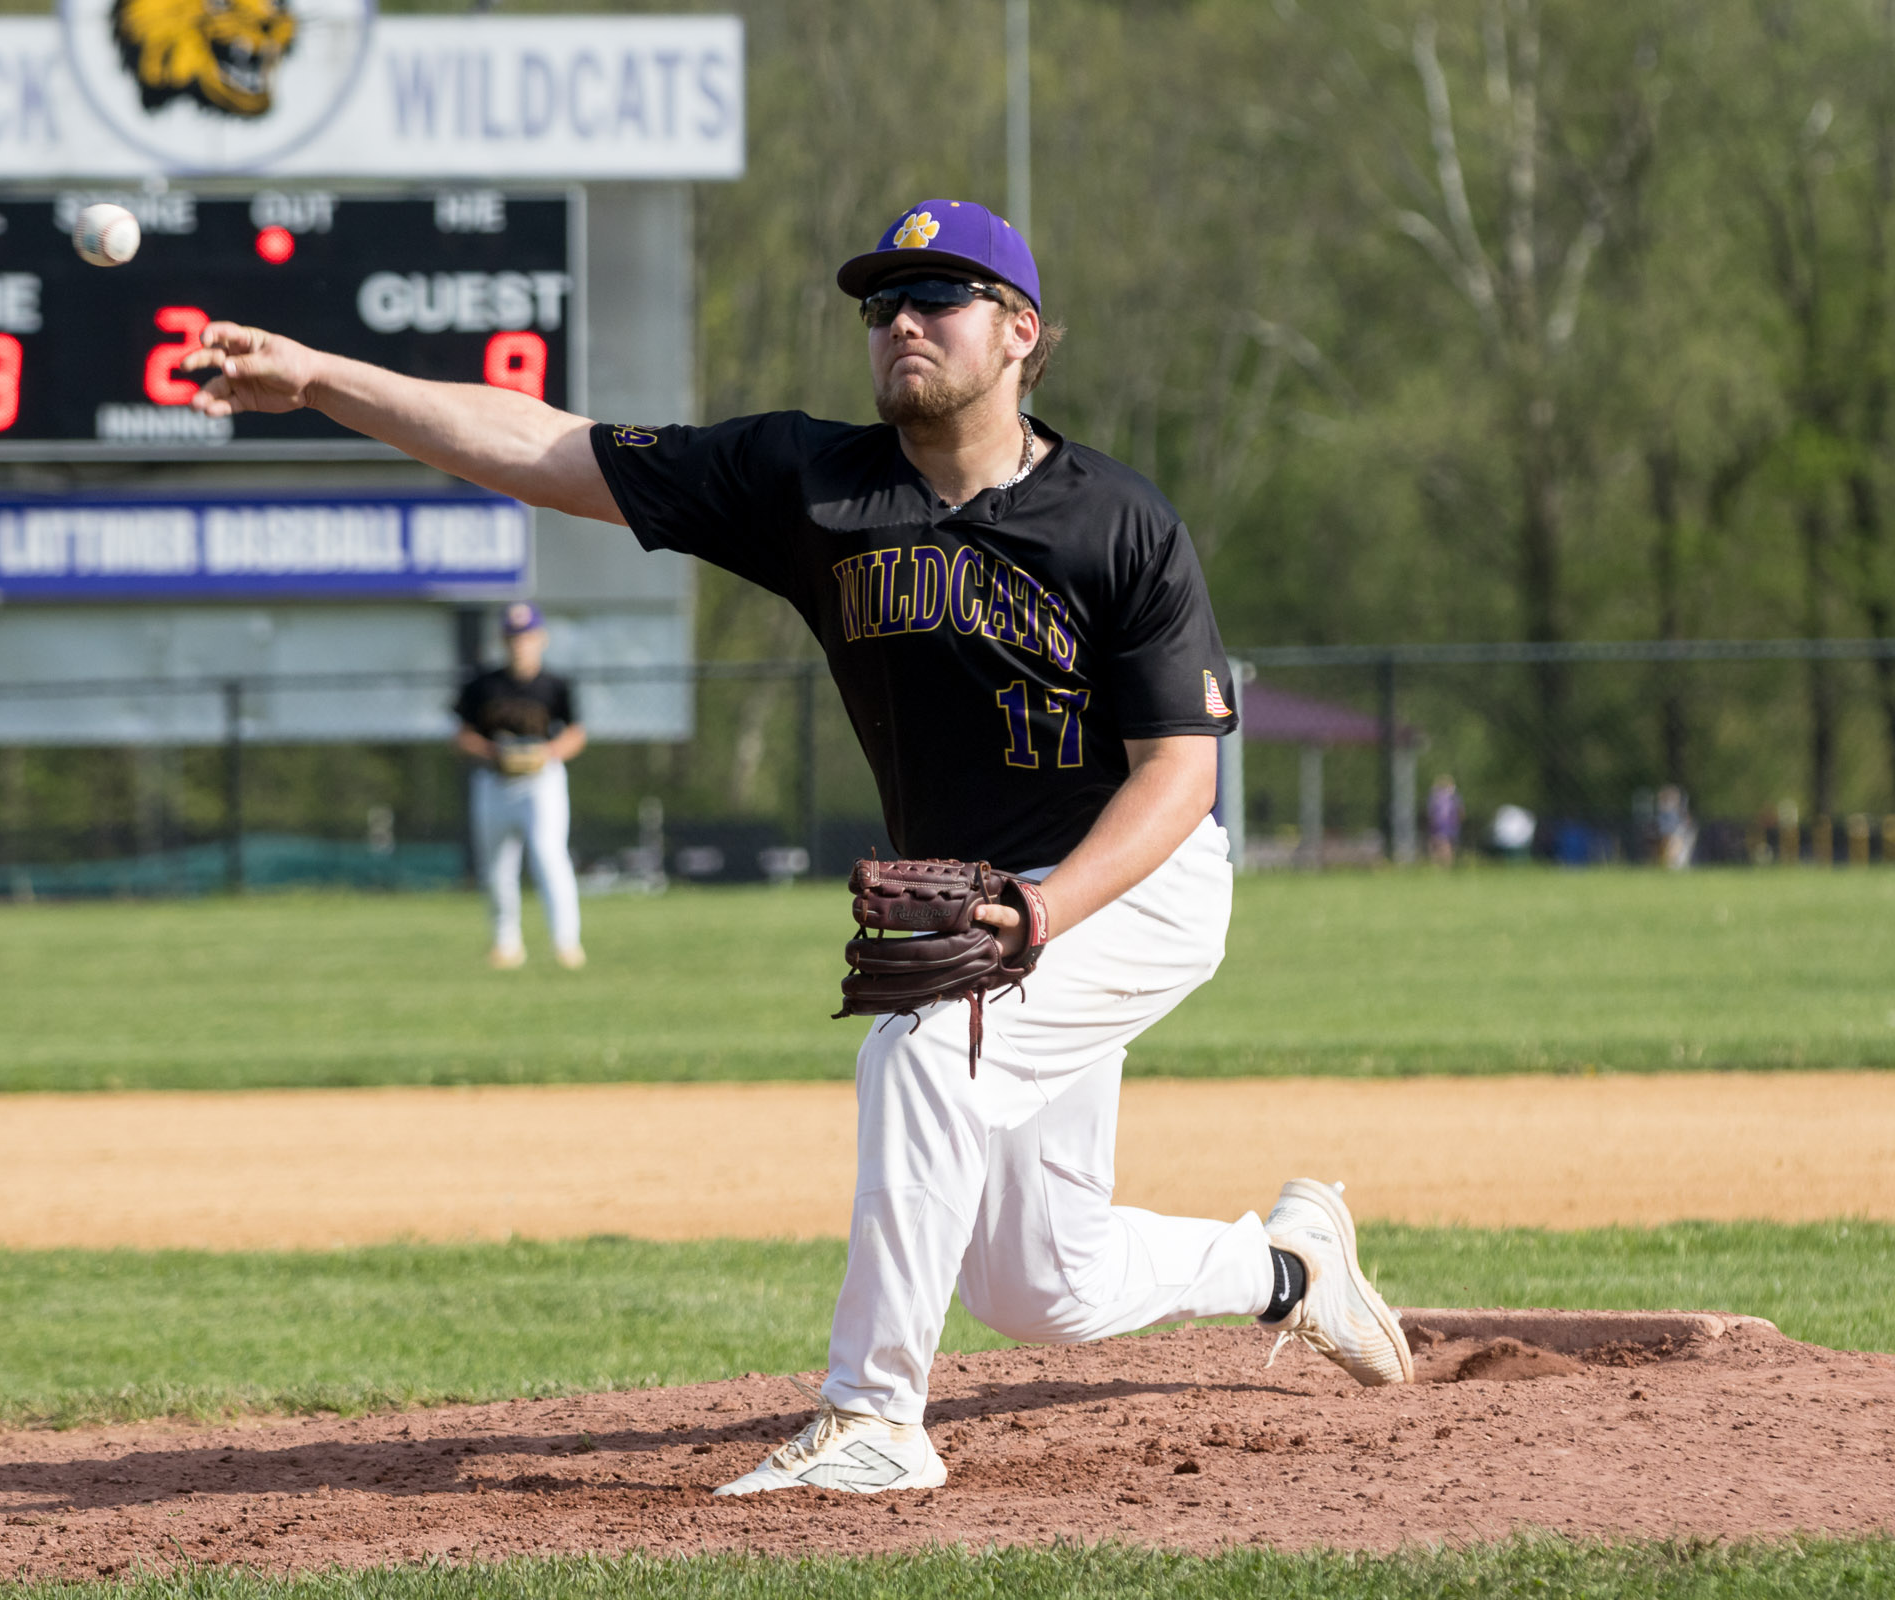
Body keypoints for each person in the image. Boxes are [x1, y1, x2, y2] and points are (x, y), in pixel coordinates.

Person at [179, 196, 1413, 1497]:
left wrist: (1047, 913)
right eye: (882, 303)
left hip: (1131, 888)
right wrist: (319, 377)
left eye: (937, 297)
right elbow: (544, 444)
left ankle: (876, 1416)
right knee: (1041, 1284)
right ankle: (1293, 1266)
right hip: (988, 915)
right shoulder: (812, 484)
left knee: (927, 1047)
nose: (901, 323)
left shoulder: (1117, 521)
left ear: (1022, 333)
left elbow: (1180, 778)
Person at [454, 602, 588, 969]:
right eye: (514, 637)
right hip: (494, 782)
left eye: (527, 636)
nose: (520, 644)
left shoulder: (554, 685)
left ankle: (566, 943)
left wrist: (548, 752)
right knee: (495, 866)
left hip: (541, 784)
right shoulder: (483, 684)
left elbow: (576, 733)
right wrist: (493, 752)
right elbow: (462, 735)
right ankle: (505, 945)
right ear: (504, 640)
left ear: (540, 639)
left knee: (548, 856)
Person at [1426, 774, 1464, 867]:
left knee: (1439, 845)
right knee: (1444, 845)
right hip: (1448, 826)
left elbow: (1430, 813)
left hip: (1439, 826)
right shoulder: (1453, 797)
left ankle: (1440, 867)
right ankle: (1445, 866)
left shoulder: (1435, 797)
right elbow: (1461, 812)